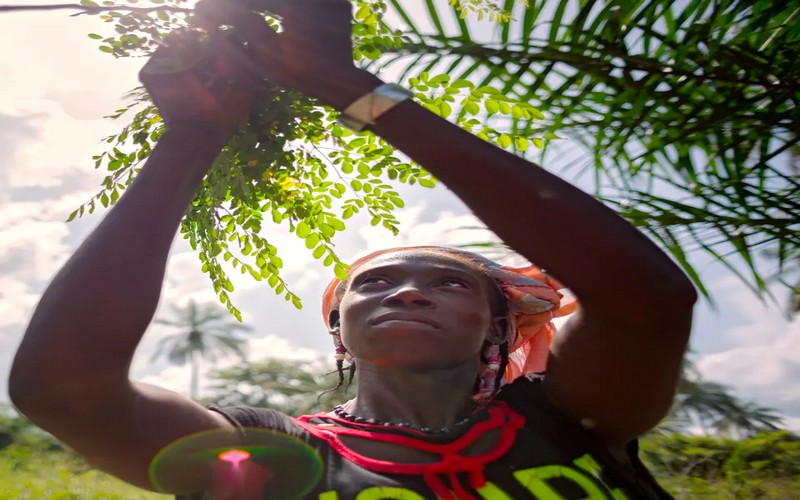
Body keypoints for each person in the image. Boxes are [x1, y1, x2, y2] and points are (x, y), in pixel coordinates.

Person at [9, 0, 697, 498]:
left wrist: (352, 89)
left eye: (451, 283)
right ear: (339, 329)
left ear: (499, 325)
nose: (404, 290)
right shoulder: (276, 456)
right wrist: (191, 134)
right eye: (373, 284)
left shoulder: (571, 418)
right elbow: (65, 394)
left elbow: (651, 302)